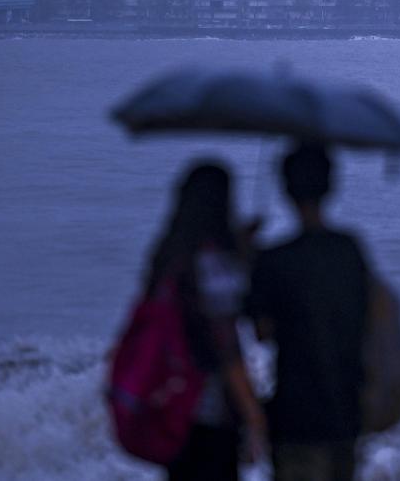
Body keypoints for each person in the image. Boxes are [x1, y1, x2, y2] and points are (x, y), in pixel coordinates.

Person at [247, 142, 372, 481]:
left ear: (286, 190)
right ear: (332, 185)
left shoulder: (274, 260)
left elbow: (262, 333)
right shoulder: (350, 250)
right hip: (346, 410)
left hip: (295, 416)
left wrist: (246, 259)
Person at [142, 162, 268, 481]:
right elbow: (226, 347)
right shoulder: (213, 266)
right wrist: (253, 414)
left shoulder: (168, 259)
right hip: (210, 412)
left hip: (171, 404)